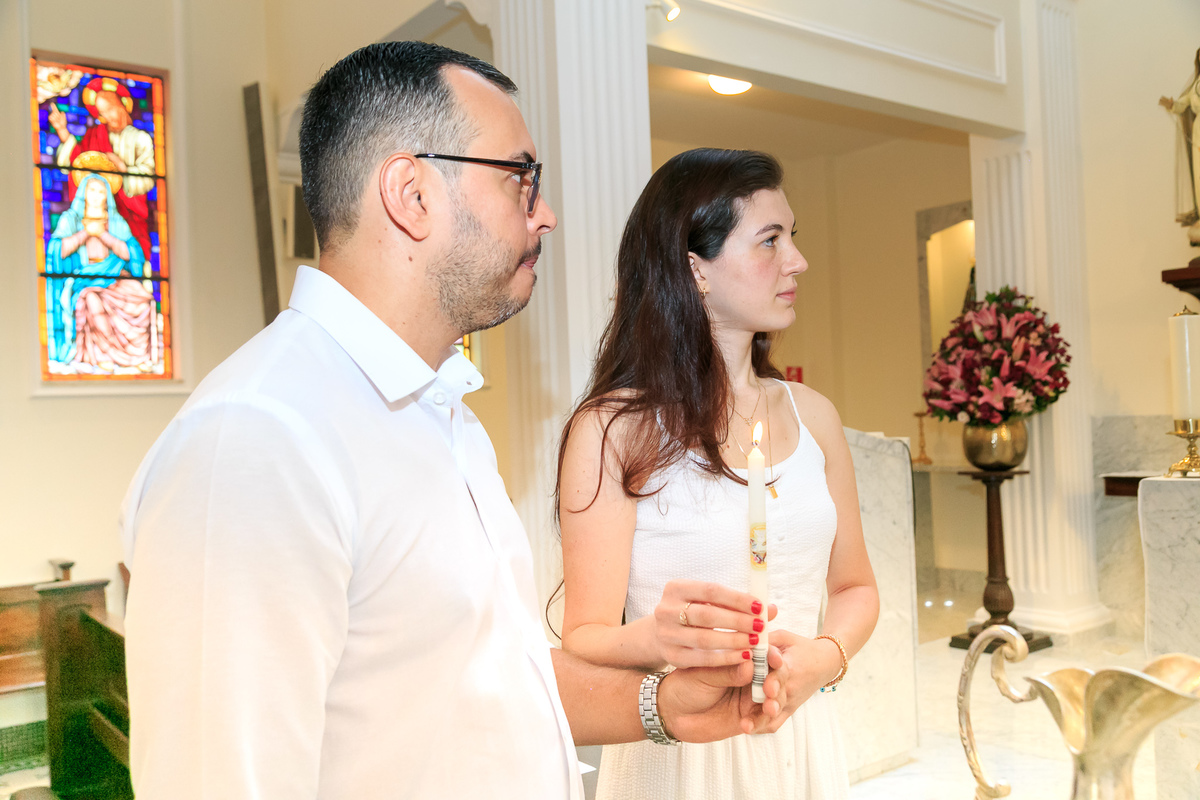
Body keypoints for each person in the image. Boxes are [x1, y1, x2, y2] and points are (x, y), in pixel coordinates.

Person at [119, 44, 790, 800]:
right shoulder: (259, 439)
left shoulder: (442, 414)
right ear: (411, 194)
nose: (545, 214)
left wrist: (662, 704)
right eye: (520, 178)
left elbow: (488, 677)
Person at [556, 148, 881, 799]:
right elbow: (583, 638)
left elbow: (855, 588)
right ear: (695, 268)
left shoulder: (814, 416)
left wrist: (820, 659)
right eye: (770, 240)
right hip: (681, 755)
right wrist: (658, 638)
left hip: (797, 739)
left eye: (792, 237)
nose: (797, 261)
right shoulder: (615, 431)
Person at [44, 170, 149, 369]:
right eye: (91, 190)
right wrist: (86, 233)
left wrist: (103, 235)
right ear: (83, 193)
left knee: (143, 299)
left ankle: (136, 356)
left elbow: (132, 253)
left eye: (101, 192)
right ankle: (105, 355)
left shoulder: (116, 221)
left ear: (107, 196)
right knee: (92, 300)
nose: (95, 196)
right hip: (84, 279)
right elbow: (57, 250)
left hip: (114, 276)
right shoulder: (71, 219)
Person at [49, 76, 157, 259]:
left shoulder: (140, 138)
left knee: (133, 254)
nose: (107, 116)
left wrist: (122, 168)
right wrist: (62, 131)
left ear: (123, 104)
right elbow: (78, 161)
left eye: (110, 108)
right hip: (99, 212)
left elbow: (149, 178)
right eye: (102, 112)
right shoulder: (95, 134)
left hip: (131, 212)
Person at [1160, 48, 1200, 245]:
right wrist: (1171, 104)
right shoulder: (1195, 86)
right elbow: (1182, 105)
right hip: (1199, 137)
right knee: (1199, 179)